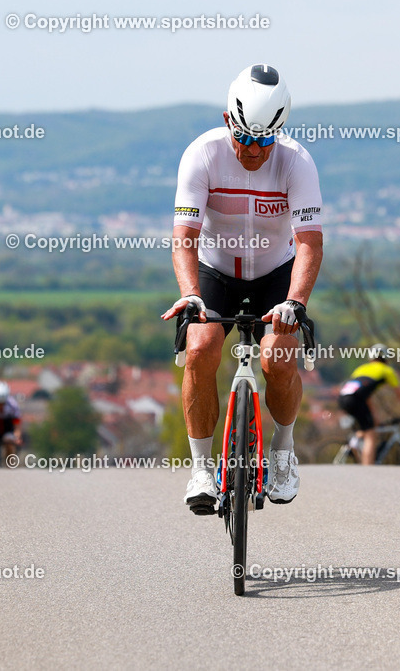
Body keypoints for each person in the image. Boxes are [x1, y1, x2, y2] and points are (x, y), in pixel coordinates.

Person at [161, 63, 323, 513]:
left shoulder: (297, 162)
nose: (253, 150)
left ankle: (284, 451)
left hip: (275, 274)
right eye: (246, 138)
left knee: (279, 358)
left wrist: (296, 301)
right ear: (229, 120)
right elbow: (185, 236)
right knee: (200, 346)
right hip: (215, 273)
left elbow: (309, 243)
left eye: (265, 140)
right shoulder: (203, 154)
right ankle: (200, 470)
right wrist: (191, 292)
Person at [337, 344, 400, 464]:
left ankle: (353, 447)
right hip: (356, 399)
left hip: (343, 397)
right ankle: (368, 469)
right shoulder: (387, 370)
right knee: (371, 434)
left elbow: (365, 396)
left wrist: (373, 416)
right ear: (386, 358)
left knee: (365, 428)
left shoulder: (361, 369)